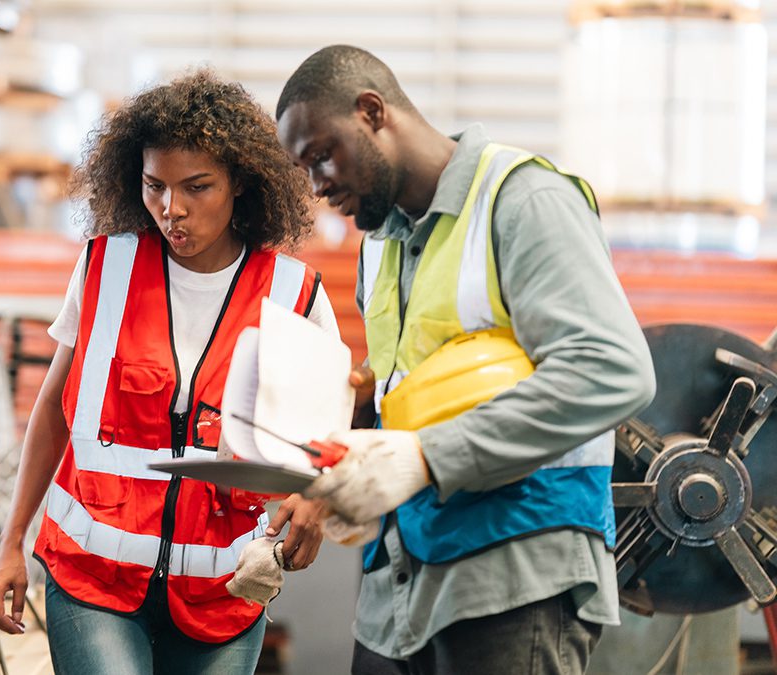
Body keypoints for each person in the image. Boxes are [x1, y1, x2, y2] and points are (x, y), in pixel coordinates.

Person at [274, 45, 657, 675]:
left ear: (372, 112)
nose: (318, 187)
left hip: (514, 574)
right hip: (397, 589)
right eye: (304, 169)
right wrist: (327, 476)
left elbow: (611, 367)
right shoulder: (380, 248)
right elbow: (410, 395)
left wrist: (429, 456)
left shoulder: (523, 198)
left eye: (322, 155)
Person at [0, 70, 338, 674]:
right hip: (92, 579)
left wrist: (319, 499)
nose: (171, 209)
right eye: (155, 186)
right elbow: (54, 409)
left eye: (196, 187)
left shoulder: (292, 295)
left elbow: (330, 444)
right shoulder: (105, 269)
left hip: (222, 592)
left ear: (240, 185)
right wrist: (11, 543)